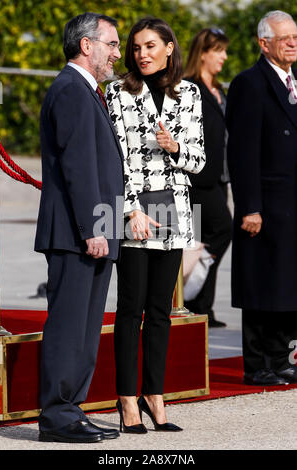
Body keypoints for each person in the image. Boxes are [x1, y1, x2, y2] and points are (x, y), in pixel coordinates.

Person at [105, 17, 205, 433]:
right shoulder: (117, 91)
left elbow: (199, 161)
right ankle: (127, 399)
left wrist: (175, 145)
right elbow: (115, 158)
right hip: (132, 209)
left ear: (168, 48)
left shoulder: (189, 92)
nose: (141, 54)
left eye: (150, 46)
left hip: (176, 211)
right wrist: (129, 210)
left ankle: (154, 395)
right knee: (131, 309)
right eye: (135, 47)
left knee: (161, 311)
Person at [34, 12, 124, 443]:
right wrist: (94, 228)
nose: (117, 54)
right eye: (112, 44)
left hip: (93, 230)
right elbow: (78, 167)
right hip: (78, 234)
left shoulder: (88, 92)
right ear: (86, 45)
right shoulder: (71, 89)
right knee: (70, 326)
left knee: (86, 327)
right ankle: (57, 415)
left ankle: (70, 408)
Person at [226, 10, 297, 386]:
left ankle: (281, 356)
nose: (292, 42)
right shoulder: (249, 84)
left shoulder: (294, 80)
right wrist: (249, 206)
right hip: (266, 205)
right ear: (263, 43)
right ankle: (257, 364)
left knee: (287, 285)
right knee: (261, 285)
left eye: (295, 36)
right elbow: (242, 152)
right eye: (284, 37)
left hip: (292, 205)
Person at [183, 28, 232, 328]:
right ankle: (190, 297)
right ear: (203, 53)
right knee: (221, 231)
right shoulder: (189, 88)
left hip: (221, 177)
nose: (224, 57)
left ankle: (203, 306)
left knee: (202, 238)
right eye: (219, 51)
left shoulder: (219, 89)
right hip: (200, 179)